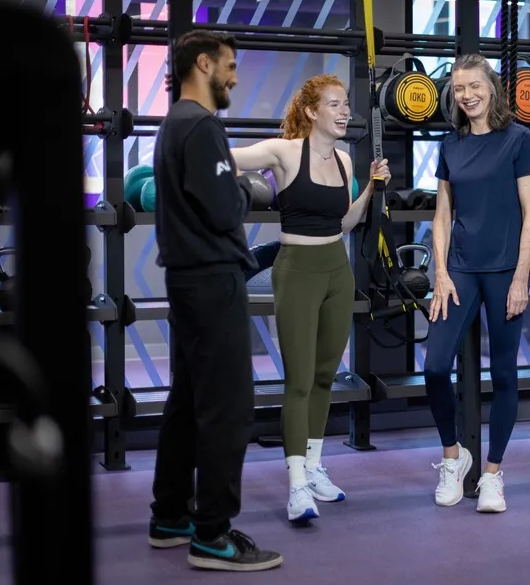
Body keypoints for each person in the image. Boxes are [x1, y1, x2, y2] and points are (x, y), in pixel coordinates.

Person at [147, 30, 282, 571]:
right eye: (228, 65)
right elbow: (226, 209)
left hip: (188, 280)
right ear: (202, 64)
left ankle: (170, 517)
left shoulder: (172, 124)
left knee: (188, 401)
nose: (234, 76)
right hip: (212, 281)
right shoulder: (200, 126)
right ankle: (212, 535)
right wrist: (250, 186)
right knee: (226, 408)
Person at [230, 74, 389, 523]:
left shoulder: (342, 158)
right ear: (311, 111)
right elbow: (227, 158)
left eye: (346, 105)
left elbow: (345, 223)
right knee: (298, 381)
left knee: (324, 376)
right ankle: (296, 484)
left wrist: (371, 188)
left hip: (337, 271)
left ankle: (315, 465)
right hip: (296, 270)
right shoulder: (283, 151)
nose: (345, 112)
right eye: (335, 105)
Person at [424, 53, 530, 513]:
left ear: (491, 87)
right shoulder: (450, 144)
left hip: (504, 271)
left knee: (505, 373)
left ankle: (492, 475)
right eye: (458, 89)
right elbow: (442, 214)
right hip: (460, 270)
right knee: (435, 367)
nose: (467, 95)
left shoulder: (518, 139)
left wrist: (520, 278)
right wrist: (440, 273)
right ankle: (454, 457)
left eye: (475, 86)